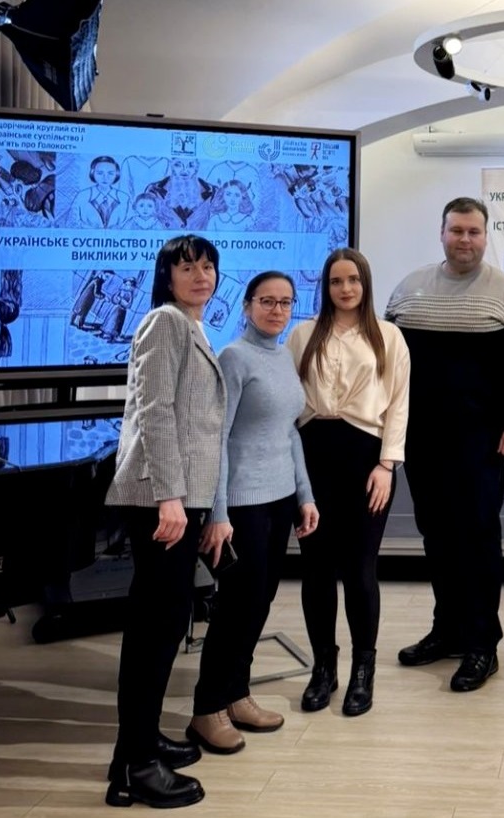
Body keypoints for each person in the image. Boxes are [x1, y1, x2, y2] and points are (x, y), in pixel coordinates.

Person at [385, 197, 504, 693]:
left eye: (474, 232)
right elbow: (390, 362)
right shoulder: (408, 289)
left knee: (477, 538)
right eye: (457, 231)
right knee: (436, 535)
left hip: (482, 440)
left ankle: (482, 643)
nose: (465, 240)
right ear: (442, 233)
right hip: (422, 437)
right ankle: (447, 630)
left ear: (486, 236)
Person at [103, 235, 226, 809]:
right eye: (188, 266)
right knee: (155, 630)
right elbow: (153, 411)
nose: (201, 275)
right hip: (162, 499)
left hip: (179, 497)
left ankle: (140, 743)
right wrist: (170, 497)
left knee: (166, 622)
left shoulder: (193, 326)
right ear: (167, 275)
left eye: (208, 266)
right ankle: (134, 767)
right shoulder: (165, 322)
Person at [186, 272, 320, 754]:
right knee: (236, 608)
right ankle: (206, 709)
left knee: (259, 603)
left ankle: (236, 694)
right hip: (242, 504)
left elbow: (289, 431)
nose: (277, 310)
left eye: (285, 302)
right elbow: (216, 438)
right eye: (267, 301)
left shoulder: (283, 356)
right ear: (247, 305)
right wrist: (218, 512)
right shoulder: (233, 357)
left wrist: (305, 496)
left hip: (280, 499)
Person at [287, 248, 410, 715]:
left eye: (353, 280)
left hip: (366, 462)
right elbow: (288, 403)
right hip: (312, 457)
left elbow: (398, 405)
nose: (345, 289)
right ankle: (324, 668)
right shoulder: (302, 335)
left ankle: (363, 670)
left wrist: (387, 465)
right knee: (316, 569)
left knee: (359, 570)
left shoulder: (389, 336)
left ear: (365, 284)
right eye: (336, 281)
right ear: (326, 286)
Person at [67, 155, 131, 229]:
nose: (105, 177)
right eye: (100, 173)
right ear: (92, 173)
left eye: (110, 173)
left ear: (117, 174)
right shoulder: (82, 195)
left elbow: (130, 224)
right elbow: (71, 223)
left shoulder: (124, 197)